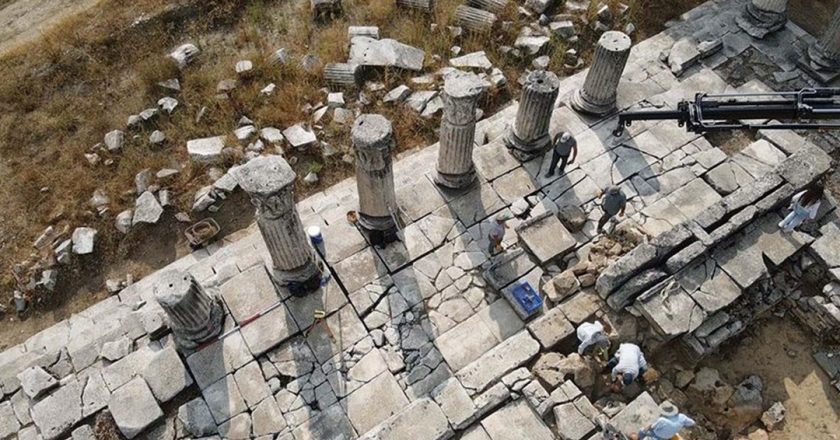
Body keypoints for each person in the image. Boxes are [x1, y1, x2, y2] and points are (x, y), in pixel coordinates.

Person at [631, 401, 696, 440]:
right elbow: (692, 423)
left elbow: (652, 427)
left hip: (656, 436)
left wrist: (645, 429)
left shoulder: (662, 420)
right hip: (667, 437)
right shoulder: (682, 417)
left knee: (641, 431)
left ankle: (638, 438)